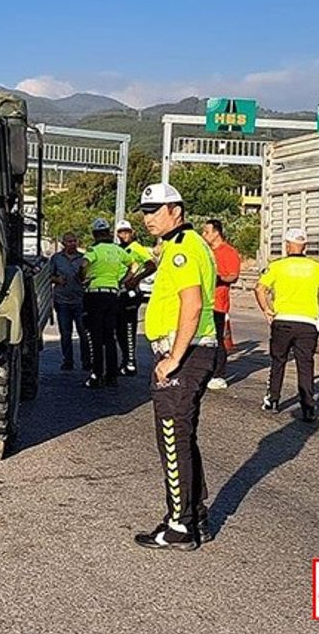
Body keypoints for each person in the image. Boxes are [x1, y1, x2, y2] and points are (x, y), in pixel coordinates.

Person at [132, 183, 217, 551]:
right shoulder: (182, 246)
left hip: (185, 355)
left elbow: (192, 305)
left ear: (176, 211)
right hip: (192, 352)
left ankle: (179, 525)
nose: (148, 217)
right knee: (184, 438)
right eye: (145, 211)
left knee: (172, 439)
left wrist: (173, 359)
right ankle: (195, 516)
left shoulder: (183, 249)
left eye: (156, 210)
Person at [254, 227, 319, 422]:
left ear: (287, 246)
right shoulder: (317, 268)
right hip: (308, 324)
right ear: (305, 246)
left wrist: (267, 310)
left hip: (282, 321)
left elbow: (259, 288)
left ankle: (272, 399)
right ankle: (308, 407)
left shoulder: (277, 266)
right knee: (305, 364)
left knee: (278, 361)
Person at [80, 218, 138, 389]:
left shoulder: (94, 250)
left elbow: (83, 265)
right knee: (110, 337)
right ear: (108, 232)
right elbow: (133, 265)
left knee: (96, 337)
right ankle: (112, 376)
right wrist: (123, 280)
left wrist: (84, 278)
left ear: (94, 234)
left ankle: (97, 374)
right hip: (113, 295)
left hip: (95, 295)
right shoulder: (117, 250)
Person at [201, 219, 241, 390]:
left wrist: (219, 277)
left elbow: (233, 275)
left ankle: (219, 374)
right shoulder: (206, 251)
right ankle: (204, 371)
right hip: (202, 303)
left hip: (218, 304)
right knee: (203, 340)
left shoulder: (229, 252)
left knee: (218, 339)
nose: (204, 235)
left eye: (206, 232)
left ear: (216, 232)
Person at [115, 220, 156, 376]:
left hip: (131, 292)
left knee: (129, 328)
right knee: (119, 329)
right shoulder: (120, 249)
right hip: (120, 292)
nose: (124, 235)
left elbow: (152, 265)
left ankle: (131, 362)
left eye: (127, 231)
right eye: (121, 232)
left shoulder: (137, 248)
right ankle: (125, 360)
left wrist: (137, 279)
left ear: (132, 232)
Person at [47, 232, 89, 371]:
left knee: (84, 333)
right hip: (62, 301)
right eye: (69, 241)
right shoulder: (56, 258)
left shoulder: (83, 258)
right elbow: (48, 275)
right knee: (66, 334)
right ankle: (68, 361)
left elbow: (89, 275)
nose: (72, 244)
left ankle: (86, 361)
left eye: (74, 241)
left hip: (80, 300)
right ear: (63, 243)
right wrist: (57, 279)